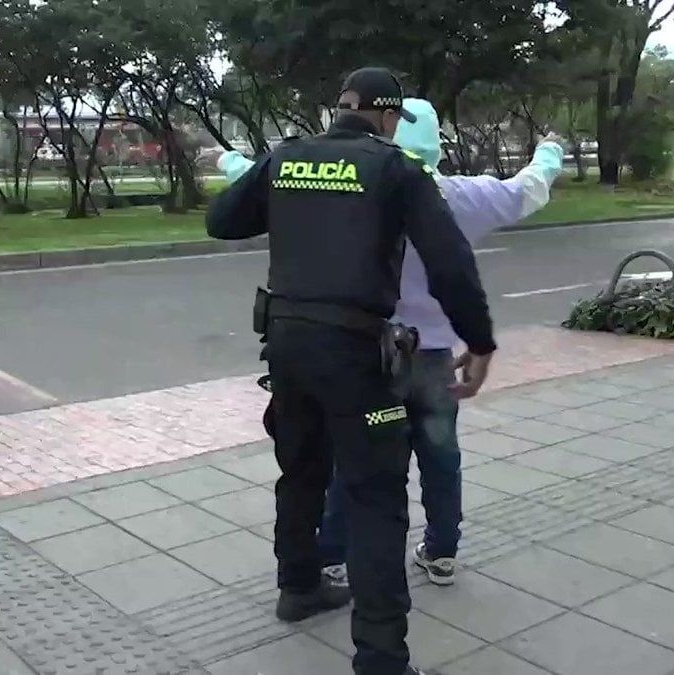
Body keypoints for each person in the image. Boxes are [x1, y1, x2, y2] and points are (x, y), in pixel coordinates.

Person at [206, 68, 497, 675]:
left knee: (302, 471)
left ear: (341, 107)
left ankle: (298, 586)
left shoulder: (288, 157)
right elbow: (450, 264)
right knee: (375, 499)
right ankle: (382, 660)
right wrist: (481, 342)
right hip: (355, 353)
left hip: (285, 345)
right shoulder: (395, 171)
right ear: (389, 116)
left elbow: (223, 220)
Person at [315, 99, 565, 588]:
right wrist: (549, 151)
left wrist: (230, 163)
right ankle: (442, 550)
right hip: (431, 355)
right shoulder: (461, 196)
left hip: (368, 350)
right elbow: (528, 189)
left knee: (356, 453)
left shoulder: (353, 196)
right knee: (440, 454)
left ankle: (333, 553)